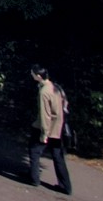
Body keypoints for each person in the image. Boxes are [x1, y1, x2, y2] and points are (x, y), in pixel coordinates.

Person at [30, 65, 72, 193]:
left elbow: (45, 114)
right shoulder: (55, 87)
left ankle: (34, 178)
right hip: (58, 129)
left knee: (34, 151)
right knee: (58, 156)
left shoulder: (44, 92)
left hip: (47, 128)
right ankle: (66, 186)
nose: (31, 75)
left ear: (38, 76)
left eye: (32, 74)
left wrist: (44, 133)